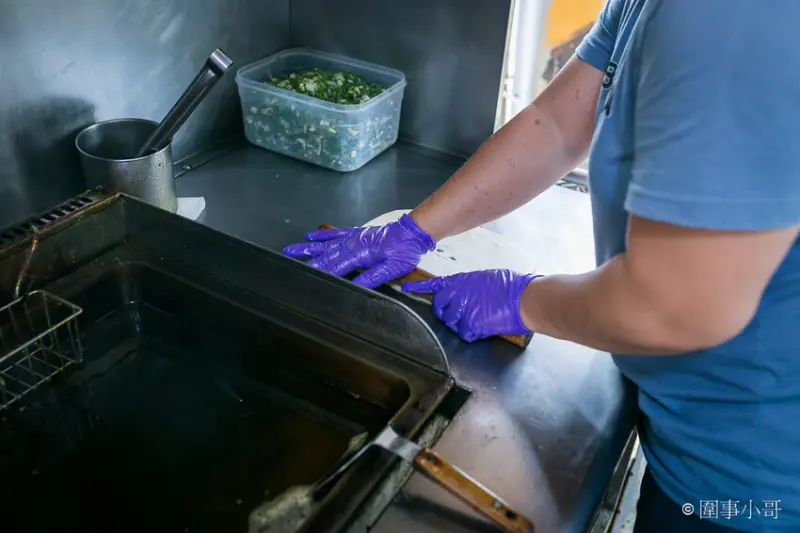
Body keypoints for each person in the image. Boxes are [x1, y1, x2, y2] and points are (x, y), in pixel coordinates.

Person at [284, 0, 800, 531]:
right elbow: (557, 124)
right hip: (694, 424)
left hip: (756, 477)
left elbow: (675, 308)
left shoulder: (737, 14)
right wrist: (417, 230)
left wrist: (520, 300)